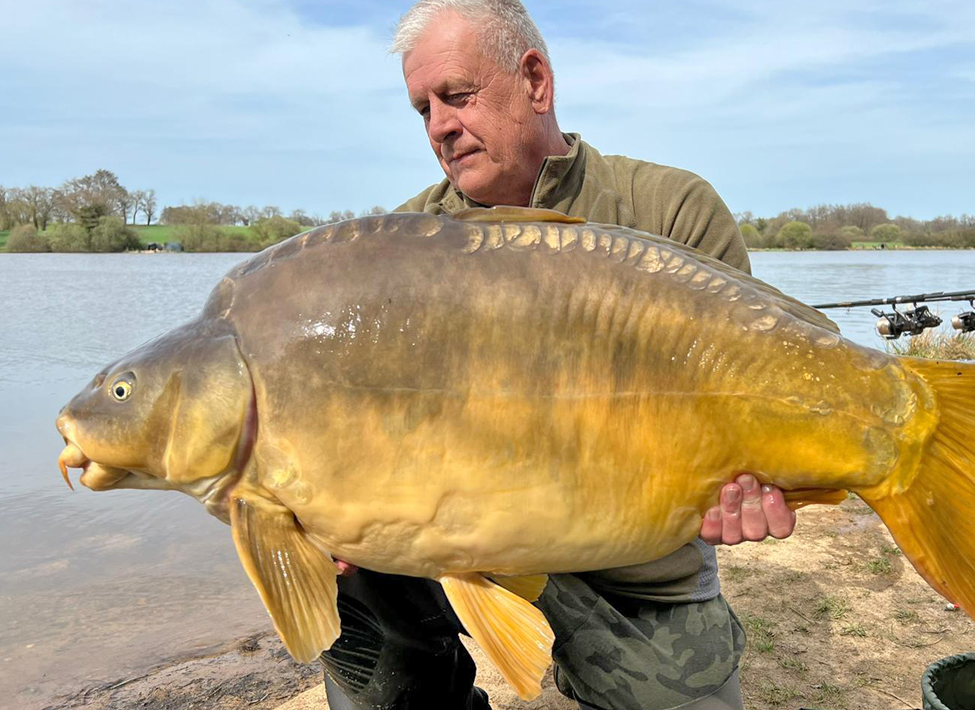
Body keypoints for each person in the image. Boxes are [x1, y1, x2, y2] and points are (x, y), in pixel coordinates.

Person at [321, 2, 796, 708]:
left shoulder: (670, 210)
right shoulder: (401, 252)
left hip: (634, 570)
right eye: (423, 109)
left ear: (535, 82)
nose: (440, 127)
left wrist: (764, 477)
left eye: (457, 96)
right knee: (335, 564)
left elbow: (758, 401)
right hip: (463, 551)